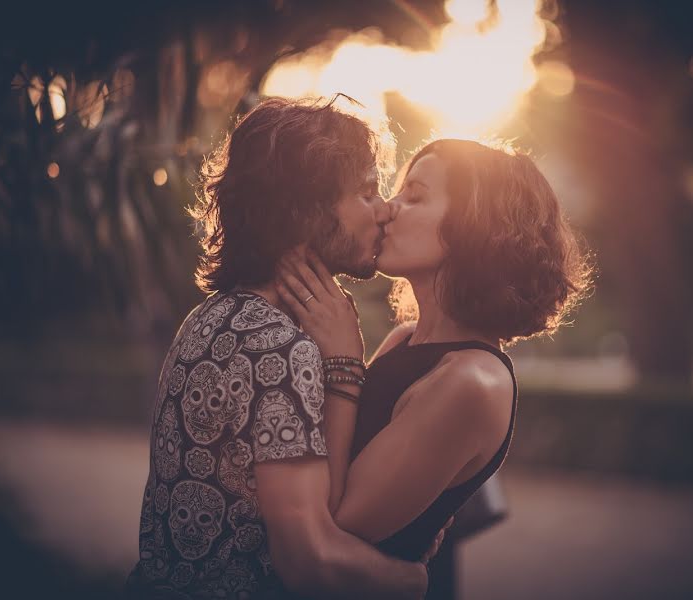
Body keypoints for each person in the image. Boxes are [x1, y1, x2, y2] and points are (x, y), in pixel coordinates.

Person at [126, 96, 444, 599]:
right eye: (366, 192)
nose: (384, 209)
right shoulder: (277, 348)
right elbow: (308, 559)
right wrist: (412, 581)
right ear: (303, 214)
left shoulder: (213, 316)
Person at [275, 138, 591, 595]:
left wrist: (343, 358)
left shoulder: (472, 382)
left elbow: (340, 526)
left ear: (475, 225)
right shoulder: (406, 339)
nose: (388, 209)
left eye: (416, 196)